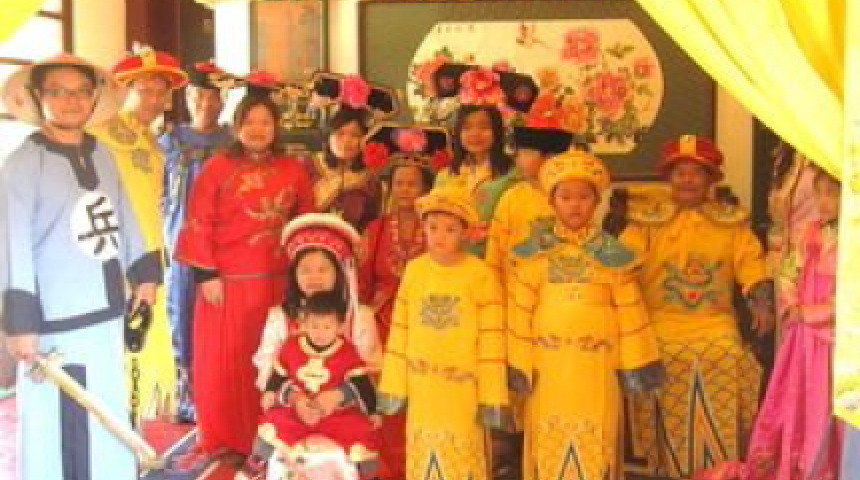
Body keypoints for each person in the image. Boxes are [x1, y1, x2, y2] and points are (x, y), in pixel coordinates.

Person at [0, 53, 160, 480]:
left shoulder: (103, 154)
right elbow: (12, 244)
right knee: (61, 421)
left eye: (80, 92)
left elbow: (124, 215)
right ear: (38, 97)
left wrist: (143, 275)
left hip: (106, 313)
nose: (70, 101)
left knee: (106, 408)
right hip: (54, 322)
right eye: (57, 92)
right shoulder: (22, 164)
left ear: (94, 98)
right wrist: (20, 324)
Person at [620, 135, 775, 479]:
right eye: (680, 172)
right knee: (656, 357)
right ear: (668, 177)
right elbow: (621, 266)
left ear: (711, 179)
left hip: (714, 322)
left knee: (728, 353)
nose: (687, 179)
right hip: (660, 324)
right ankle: (669, 467)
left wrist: (761, 303)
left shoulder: (731, 224)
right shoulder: (645, 222)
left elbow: (752, 265)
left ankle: (721, 469)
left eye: (696, 172)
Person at [507, 148, 663, 480]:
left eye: (583, 197)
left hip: (597, 364)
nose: (574, 205)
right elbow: (519, 311)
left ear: (596, 202)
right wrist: (519, 364)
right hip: (547, 365)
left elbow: (629, 308)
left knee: (598, 434)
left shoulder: (613, 254)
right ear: (552, 201)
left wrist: (635, 365)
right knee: (549, 439)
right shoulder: (534, 253)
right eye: (565, 197)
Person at [175, 94, 314, 460]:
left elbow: (305, 222)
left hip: (278, 282)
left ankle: (272, 434)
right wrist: (206, 274)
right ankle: (227, 438)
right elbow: (198, 221)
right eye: (249, 121)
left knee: (274, 358)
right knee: (227, 362)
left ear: (276, 128)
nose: (257, 129)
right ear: (237, 126)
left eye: (265, 122)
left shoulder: (294, 169)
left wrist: (304, 273)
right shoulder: (217, 167)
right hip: (226, 284)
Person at [695, 168, 842, 480]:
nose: (823, 202)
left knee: (826, 399)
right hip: (803, 334)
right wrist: (791, 303)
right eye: (819, 193)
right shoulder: (811, 231)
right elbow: (789, 271)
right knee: (797, 396)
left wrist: (814, 313)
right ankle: (798, 458)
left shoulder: (852, 239)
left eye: (832, 194)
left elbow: (851, 294)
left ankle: (826, 465)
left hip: (834, 336)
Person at [378, 186, 512, 480]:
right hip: (422, 388)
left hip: (462, 390)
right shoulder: (415, 271)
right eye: (433, 227)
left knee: (461, 458)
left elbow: (492, 340)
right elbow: (400, 331)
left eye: (450, 229)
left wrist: (492, 395)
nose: (440, 236)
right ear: (423, 229)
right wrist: (394, 385)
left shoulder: (480, 274)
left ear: (465, 233)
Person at [90, 46, 189, 421]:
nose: (154, 99)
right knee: (117, 342)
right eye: (144, 90)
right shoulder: (99, 133)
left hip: (149, 250)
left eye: (161, 91)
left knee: (140, 336)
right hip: (114, 253)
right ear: (124, 91)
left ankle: (131, 423)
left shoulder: (153, 140)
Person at [359, 123, 448, 480]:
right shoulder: (376, 229)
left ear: (426, 188)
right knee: (389, 400)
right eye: (399, 183)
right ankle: (389, 470)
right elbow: (363, 284)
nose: (405, 190)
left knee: (425, 397)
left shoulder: (440, 230)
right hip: (385, 323)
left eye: (413, 183)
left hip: (427, 324)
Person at [158, 61, 234, 423]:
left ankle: (215, 391)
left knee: (216, 317)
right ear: (187, 98)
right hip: (179, 243)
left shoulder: (232, 144)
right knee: (180, 313)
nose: (206, 103)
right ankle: (184, 390)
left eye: (213, 96)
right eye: (198, 95)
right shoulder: (169, 141)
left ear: (223, 101)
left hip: (221, 246)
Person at [239, 291, 380, 480]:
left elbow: (362, 384)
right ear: (303, 324)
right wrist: (270, 391)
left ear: (340, 326)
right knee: (271, 423)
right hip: (297, 411)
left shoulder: (348, 352)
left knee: (363, 429)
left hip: (334, 414)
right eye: (314, 326)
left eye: (327, 327)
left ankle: (370, 475)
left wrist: (372, 411)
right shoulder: (291, 346)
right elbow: (279, 375)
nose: (320, 332)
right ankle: (255, 464)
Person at [254, 212, 382, 394]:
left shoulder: (359, 318)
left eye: (323, 269)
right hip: (291, 405)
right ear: (294, 275)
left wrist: (339, 397)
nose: (314, 277)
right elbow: (267, 373)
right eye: (305, 270)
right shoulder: (279, 317)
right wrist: (294, 398)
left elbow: (372, 373)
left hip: (345, 406)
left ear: (338, 272)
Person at [310, 73, 398, 232]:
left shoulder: (371, 181)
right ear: (328, 136)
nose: (346, 141)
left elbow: (374, 226)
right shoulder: (310, 166)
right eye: (340, 133)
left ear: (365, 139)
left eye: (355, 135)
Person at [434, 104, 516, 256]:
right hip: (450, 258)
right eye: (467, 127)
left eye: (484, 127)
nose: (475, 134)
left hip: (495, 256)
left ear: (497, 131)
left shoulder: (513, 174)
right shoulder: (444, 176)